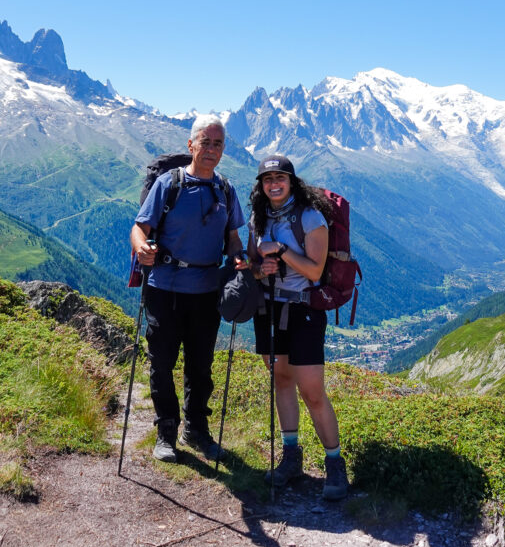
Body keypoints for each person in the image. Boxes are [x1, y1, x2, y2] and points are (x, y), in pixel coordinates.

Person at [130, 115, 246, 463]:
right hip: (164, 288)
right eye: (205, 142)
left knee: (201, 366)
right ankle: (166, 432)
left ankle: (196, 430)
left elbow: (233, 238)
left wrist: (239, 259)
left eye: (217, 144)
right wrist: (141, 248)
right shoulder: (168, 184)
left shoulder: (226, 190)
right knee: (161, 363)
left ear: (223, 149)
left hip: (207, 292)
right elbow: (139, 227)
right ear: (191, 145)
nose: (211, 149)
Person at [247, 155, 349, 500]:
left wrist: (280, 250)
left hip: (304, 309)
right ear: (261, 185)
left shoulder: (310, 217)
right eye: (268, 179)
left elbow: (315, 271)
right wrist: (261, 268)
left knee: (312, 390)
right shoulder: (258, 217)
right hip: (269, 307)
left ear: (292, 182)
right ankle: (291, 456)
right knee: (281, 379)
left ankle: (334, 463)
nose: (274, 184)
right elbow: (254, 265)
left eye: (280, 178)